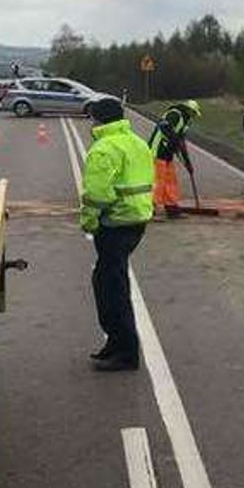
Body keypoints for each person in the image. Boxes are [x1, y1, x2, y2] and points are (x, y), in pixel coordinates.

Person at [80, 98, 154, 371]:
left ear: (99, 120)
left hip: (115, 223)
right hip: (137, 220)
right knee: (107, 279)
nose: (90, 123)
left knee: (113, 288)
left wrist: (88, 223)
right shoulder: (136, 142)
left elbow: (98, 195)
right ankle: (116, 342)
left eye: (92, 118)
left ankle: (125, 351)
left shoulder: (103, 148)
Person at [149, 99, 200, 218]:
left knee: (171, 181)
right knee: (158, 181)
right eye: (193, 113)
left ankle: (172, 208)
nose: (193, 116)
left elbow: (181, 143)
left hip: (168, 154)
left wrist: (187, 162)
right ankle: (150, 209)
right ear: (188, 110)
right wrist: (175, 140)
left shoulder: (185, 122)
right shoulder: (174, 114)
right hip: (158, 150)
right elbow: (165, 128)